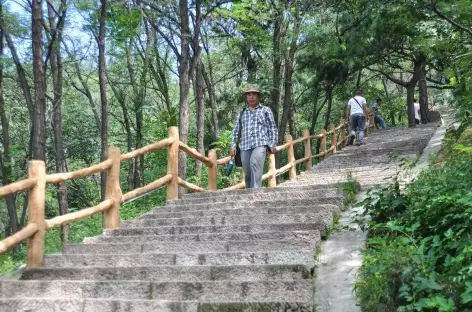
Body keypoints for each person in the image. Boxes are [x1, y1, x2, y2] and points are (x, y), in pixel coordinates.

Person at [231, 85, 278, 189]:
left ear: (258, 96)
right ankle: (249, 195)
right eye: (249, 95)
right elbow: (236, 130)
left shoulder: (265, 110)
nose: (251, 97)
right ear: (246, 97)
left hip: (260, 144)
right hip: (245, 146)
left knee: (255, 165)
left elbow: (272, 128)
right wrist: (233, 145)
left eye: (254, 94)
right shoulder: (242, 112)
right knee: (247, 173)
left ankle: (256, 194)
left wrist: (273, 143)